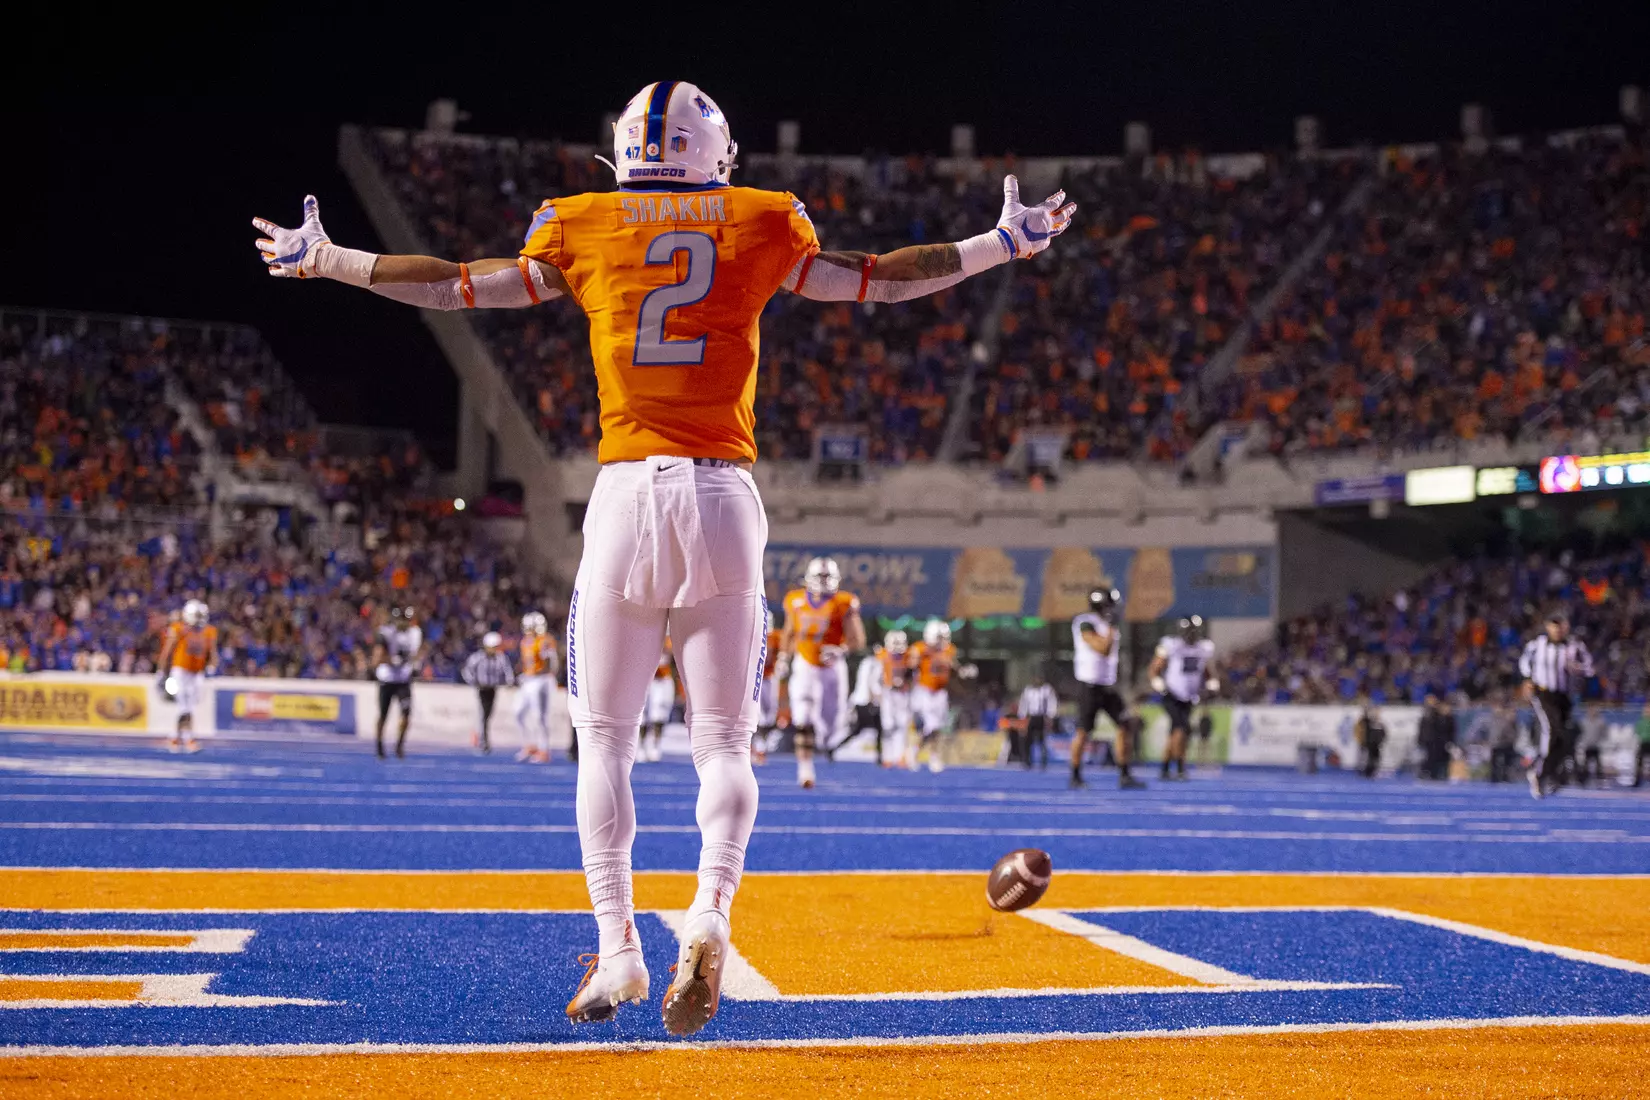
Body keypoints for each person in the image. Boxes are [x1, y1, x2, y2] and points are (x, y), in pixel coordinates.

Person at [253, 78, 1073, 1035]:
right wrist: (998, 244)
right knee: (723, 742)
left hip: (627, 493)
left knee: (604, 737)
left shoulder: (584, 219)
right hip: (725, 496)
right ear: (714, 153)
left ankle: (617, 951)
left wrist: (335, 261)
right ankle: (710, 915)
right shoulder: (763, 217)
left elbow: (460, 283)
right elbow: (878, 277)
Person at [778, 558, 865, 789]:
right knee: (803, 717)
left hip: (832, 669)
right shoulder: (795, 600)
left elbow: (858, 640)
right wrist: (784, 657)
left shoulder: (844, 602)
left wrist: (841, 650)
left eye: (828, 578)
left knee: (831, 726)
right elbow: (788, 632)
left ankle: (826, 742)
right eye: (820, 577)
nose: (824, 582)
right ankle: (805, 769)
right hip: (804, 664)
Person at [1070, 588, 1143, 790]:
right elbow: (1102, 649)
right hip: (1089, 685)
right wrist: (1110, 628)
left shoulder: (1107, 625)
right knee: (1084, 732)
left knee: (1125, 725)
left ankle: (1125, 774)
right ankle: (1075, 775)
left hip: (1107, 685)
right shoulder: (1085, 622)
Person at [1518, 611, 1594, 799]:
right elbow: (1524, 662)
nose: (1558, 628)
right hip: (1543, 692)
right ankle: (1540, 772)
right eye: (1554, 624)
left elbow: (1590, 667)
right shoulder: (1537, 645)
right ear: (1547, 626)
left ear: (1566, 626)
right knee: (1552, 730)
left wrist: (1578, 668)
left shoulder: (1575, 646)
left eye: (1561, 624)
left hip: (1564, 696)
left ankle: (1547, 773)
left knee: (1564, 737)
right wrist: (1527, 679)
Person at [1148, 616, 1217, 781]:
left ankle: (1165, 768)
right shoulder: (1171, 646)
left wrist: (1212, 682)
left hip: (1189, 697)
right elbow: (1154, 669)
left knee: (1175, 732)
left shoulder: (1203, 648)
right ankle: (1180, 767)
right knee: (1182, 728)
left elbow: (1207, 670)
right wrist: (1159, 684)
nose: (1192, 635)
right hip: (1172, 694)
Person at [907, 620, 973, 773]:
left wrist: (962, 671)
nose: (943, 640)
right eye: (940, 637)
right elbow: (910, 666)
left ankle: (924, 753)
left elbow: (952, 664)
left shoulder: (948, 649)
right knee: (933, 725)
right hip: (924, 691)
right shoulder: (920, 649)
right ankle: (925, 754)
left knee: (937, 728)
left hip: (940, 693)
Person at [156, 599, 216, 754]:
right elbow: (167, 651)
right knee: (184, 705)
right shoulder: (178, 628)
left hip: (197, 672)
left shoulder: (209, 631)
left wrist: (212, 666)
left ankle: (175, 737)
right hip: (180, 670)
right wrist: (161, 672)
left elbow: (212, 652)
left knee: (189, 706)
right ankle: (188, 738)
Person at [373, 606, 422, 759]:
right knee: (383, 714)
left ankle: (399, 745)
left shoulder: (414, 633)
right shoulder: (386, 633)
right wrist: (391, 660)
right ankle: (379, 746)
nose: (402, 623)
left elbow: (416, 653)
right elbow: (377, 657)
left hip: (403, 679)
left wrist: (413, 664)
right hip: (387, 678)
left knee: (406, 714)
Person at [515, 611, 559, 763]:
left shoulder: (544, 641)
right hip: (528, 680)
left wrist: (548, 676)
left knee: (540, 716)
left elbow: (551, 662)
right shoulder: (525, 641)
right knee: (518, 713)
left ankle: (544, 749)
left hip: (541, 680)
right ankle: (529, 744)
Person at [463, 632, 514, 754]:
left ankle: (482, 739)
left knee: (487, 715)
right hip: (482, 688)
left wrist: (507, 682)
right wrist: (474, 682)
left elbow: (508, 674)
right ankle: (483, 741)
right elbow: (467, 671)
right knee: (482, 715)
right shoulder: (478, 657)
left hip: (493, 688)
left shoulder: (500, 658)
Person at [877, 629, 914, 767]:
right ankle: (887, 756)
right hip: (888, 693)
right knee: (888, 725)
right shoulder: (882, 655)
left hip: (902, 694)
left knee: (902, 725)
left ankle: (899, 756)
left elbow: (912, 676)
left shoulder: (909, 655)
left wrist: (905, 683)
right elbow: (877, 676)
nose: (898, 647)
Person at [843, 643, 884, 758]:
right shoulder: (875, 664)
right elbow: (871, 683)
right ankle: (834, 748)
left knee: (873, 728)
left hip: (858, 699)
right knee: (870, 728)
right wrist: (874, 699)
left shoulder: (865, 662)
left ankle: (879, 755)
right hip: (866, 701)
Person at [639, 647, 677, 763]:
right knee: (642, 714)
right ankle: (641, 745)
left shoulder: (670, 637)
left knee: (659, 715)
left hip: (663, 679)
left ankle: (656, 744)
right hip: (644, 677)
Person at [754, 620, 783, 764]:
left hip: (770, 678)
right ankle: (758, 748)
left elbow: (784, 650)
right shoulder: (751, 634)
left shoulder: (776, 636)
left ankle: (762, 746)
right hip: (754, 678)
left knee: (770, 713)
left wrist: (782, 661)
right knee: (758, 713)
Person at [1016, 670, 1057, 770]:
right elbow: (1023, 704)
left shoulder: (1047, 689)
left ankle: (1043, 762)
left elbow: (1052, 703)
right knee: (1027, 740)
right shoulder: (1028, 690)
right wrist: (1022, 718)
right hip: (1030, 717)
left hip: (1042, 717)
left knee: (1042, 740)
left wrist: (1050, 716)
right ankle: (1026, 761)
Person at [1417, 694, 1456, 780]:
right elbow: (1427, 729)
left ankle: (1443, 775)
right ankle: (1429, 774)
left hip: (1445, 743)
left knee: (1444, 760)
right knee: (1431, 759)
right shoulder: (1432, 716)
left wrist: (1451, 742)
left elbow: (1452, 731)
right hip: (1433, 742)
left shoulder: (1450, 719)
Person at [1487, 699, 1520, 783]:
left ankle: (1506, 778)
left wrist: (1511, 739)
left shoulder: (1507, 718)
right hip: (1495, 743)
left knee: (1507, 763)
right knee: (1494, 763)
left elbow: (1512, 731)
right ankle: (1494, 779)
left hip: (1506, 743)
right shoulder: (1491, 719)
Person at [1355, 700, 1386, 778]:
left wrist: (1380, 741)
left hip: (1376, 744)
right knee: (1367, 758)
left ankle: (1372, 771)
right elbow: (1361, 732)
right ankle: (1366, 771)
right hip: (1368, 743)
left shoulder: (1379, 724)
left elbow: (1383, 733)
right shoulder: (1366, 722)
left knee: (1375, 758)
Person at [1578, 705, 1607, 787]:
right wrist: (1583, 742)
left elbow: (1604, 733)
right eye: (1590, 711)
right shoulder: (1584, 722)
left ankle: (1599, 779)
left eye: (1594, 711)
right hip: (1587, 745)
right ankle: (1583, 779)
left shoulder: (1600, 722)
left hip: (1596, 746)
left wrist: (1601, 741)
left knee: (1598, 763)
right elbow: (1581, 733)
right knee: (1585, 763)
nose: (1592, 712)